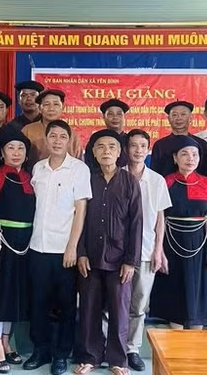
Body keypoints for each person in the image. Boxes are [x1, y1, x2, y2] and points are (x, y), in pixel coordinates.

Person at [24, 120, 91, 375]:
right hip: (38, 247)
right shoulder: (38, 169)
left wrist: (73, 247)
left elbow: (81, 210)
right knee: (38, 303)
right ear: (46, 139)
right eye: (53, 136)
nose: (57, 141)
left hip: (64, 249)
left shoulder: (79, 169)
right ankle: (40, 350)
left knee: (65, 305)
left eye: (63, 136)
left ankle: (61, 355)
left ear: (69, 140)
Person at [75, 129, 142, 375]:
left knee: (119, 311)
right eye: (100, 147)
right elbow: (78, 219)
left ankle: (117, 360)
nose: (106, 151)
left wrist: (130, 261)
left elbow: (137, 224)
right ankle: (90, 357)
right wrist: (80, 252)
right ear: (93, 152)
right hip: (89, 257)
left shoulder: (129, 181)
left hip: (119, 259)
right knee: (89, 309)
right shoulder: (87, 179)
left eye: (112, 146)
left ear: (119, 152)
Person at [150, 135, 207, 329]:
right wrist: (160, 253)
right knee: (175, 296)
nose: (190, 158)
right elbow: (158, 218)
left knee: (198, 299)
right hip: (171, 244)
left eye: (194, 154)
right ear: (175, 158)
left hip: (201, 246)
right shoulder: (166, 182)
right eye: (184, 154)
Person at [0, 130, 36, 373]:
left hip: (23, 245)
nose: (16, 153)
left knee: (13, 296)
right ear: (2, 153)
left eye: (20, 149)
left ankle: (6, 341)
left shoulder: (29, 177)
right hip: (0, 243)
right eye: (11, 148)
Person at [121, 129, 171, 372]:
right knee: (113, 302)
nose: (138, 150)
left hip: (147, 249)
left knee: (139, 304)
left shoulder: (157, 180)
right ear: (126, 148)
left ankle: (132, 348)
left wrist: (159, 249)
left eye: (143, 145)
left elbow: (160, 218)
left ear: (149, 149)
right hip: (117, 253)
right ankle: (112, 346)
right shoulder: (116, 176)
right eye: (133, 145)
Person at [150, 100, 207, 178]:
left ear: (191, 118)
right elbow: (155, 175)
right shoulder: (160, 145)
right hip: (166, 188)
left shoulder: (201, 144)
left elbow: (206, 174)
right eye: (174, 115)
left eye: (183, 114)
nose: (179, 118)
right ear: (168, 119)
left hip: (195, 188)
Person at [21, 90, 83, 166]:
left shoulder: (72, 133)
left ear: (63, 107)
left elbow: (79, 161)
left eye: (56, 104)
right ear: (40, 108)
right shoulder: (28, 131)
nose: (51, 108)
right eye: (46, 104)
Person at [83, 99, 130, 170]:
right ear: (104, 117)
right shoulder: (96, 140)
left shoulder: (130, 140)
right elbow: (90, 165)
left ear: (124, 118)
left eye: (119, 114)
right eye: (110, 114)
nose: (115, 117)